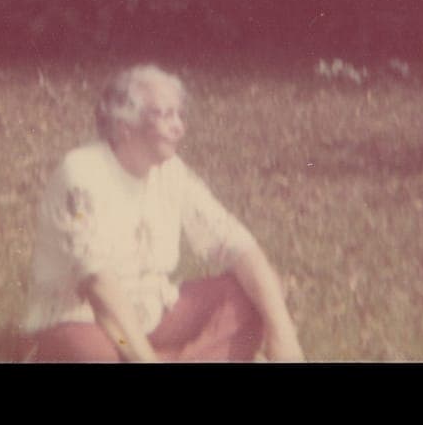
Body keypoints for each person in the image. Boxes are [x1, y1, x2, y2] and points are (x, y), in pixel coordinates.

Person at [21, 64, 305, 362]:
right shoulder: (81, 173)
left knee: (256, 296)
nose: (179, 127)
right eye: (165, 115)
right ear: (123, 125)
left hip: (153, 314)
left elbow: (236, 244)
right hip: (88, 320)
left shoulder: (172, 171)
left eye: (180, 115)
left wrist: (283, 335)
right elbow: (99, 288)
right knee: (96, 355)